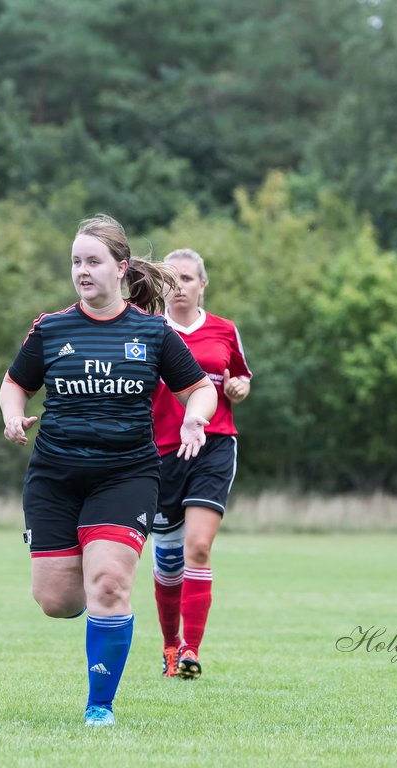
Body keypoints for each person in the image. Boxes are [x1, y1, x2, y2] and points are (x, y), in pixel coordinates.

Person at [0, 215, 217, 727]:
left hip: (126, 475)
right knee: (56, 600)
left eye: (93, 262)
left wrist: (193, 419)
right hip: (54, 476)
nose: (82, 271)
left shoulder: (152, 331)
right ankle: (91, 599)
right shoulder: (51, 329)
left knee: (110, 584)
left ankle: (100, 706)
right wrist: (12, 414)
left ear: (120, 269)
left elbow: (200, 389)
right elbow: (15, 384)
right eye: (76, 262)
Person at [149, 249, 252, 680]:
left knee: (199, 547)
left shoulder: (224, 330)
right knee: (168, 560)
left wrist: (237, 386)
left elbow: (241, 377)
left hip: (213, 445)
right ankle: (170, 645)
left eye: (187, 279)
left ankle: (191, 649)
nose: (179, 288)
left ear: (202, 284)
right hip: (159, 452)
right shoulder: (148, 330)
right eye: (170, 280)